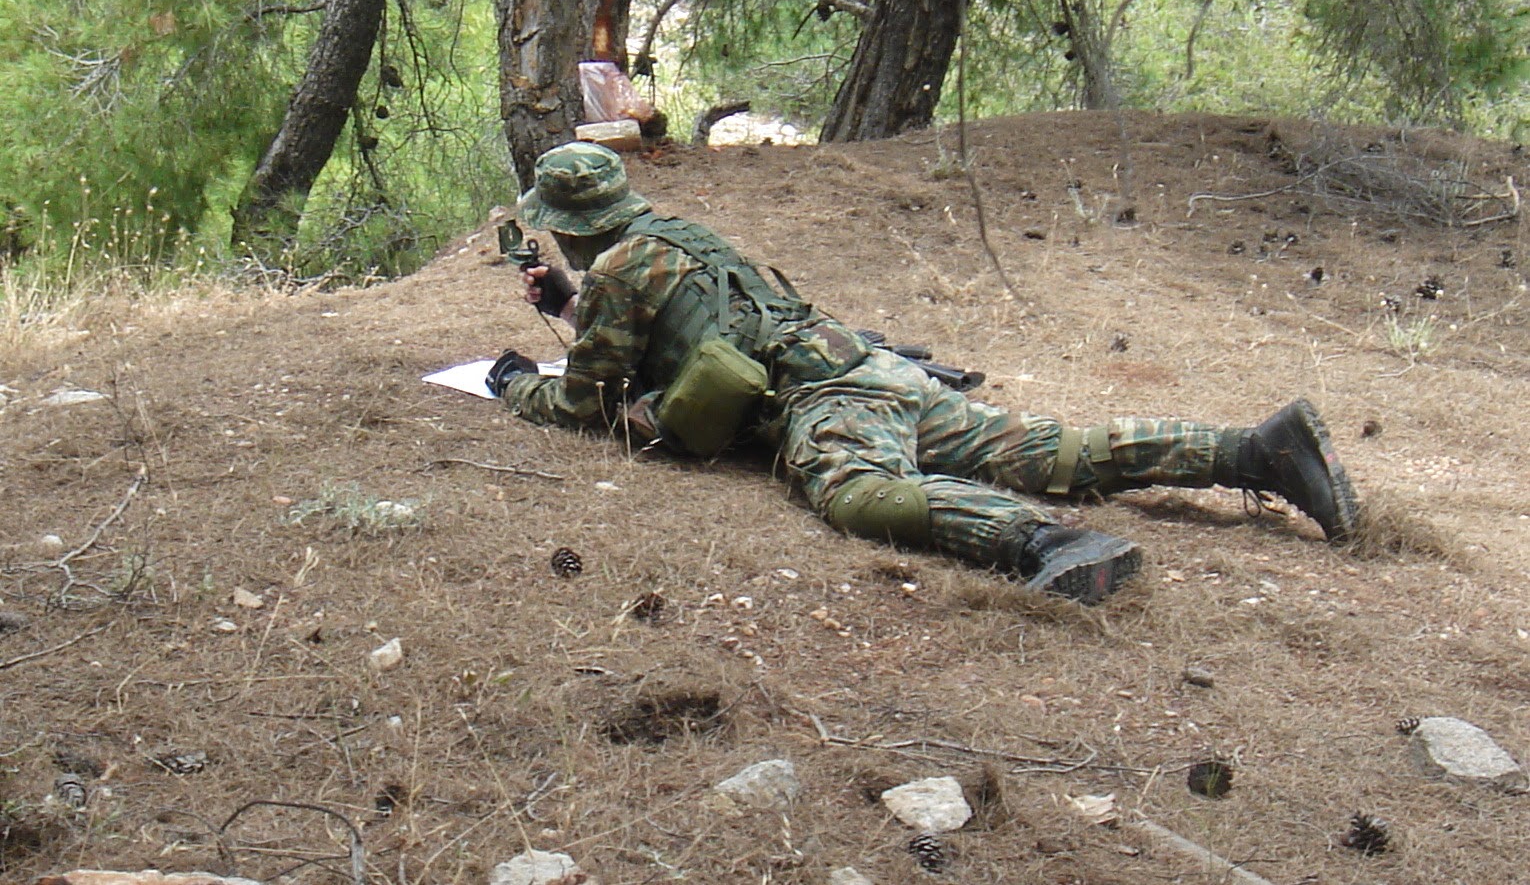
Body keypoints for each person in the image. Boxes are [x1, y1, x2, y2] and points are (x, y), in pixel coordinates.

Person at [489, 142, 1361, 605]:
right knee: (1061, 449)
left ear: (565, 221)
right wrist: (570, 304)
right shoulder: (677, 238)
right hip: (870, 368)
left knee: (859, 493)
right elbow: (683, 325)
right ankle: (1257, 450)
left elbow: (583, 401)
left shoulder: (617, 272)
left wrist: (513, 378)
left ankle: (1046, 544)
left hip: (825, 399)